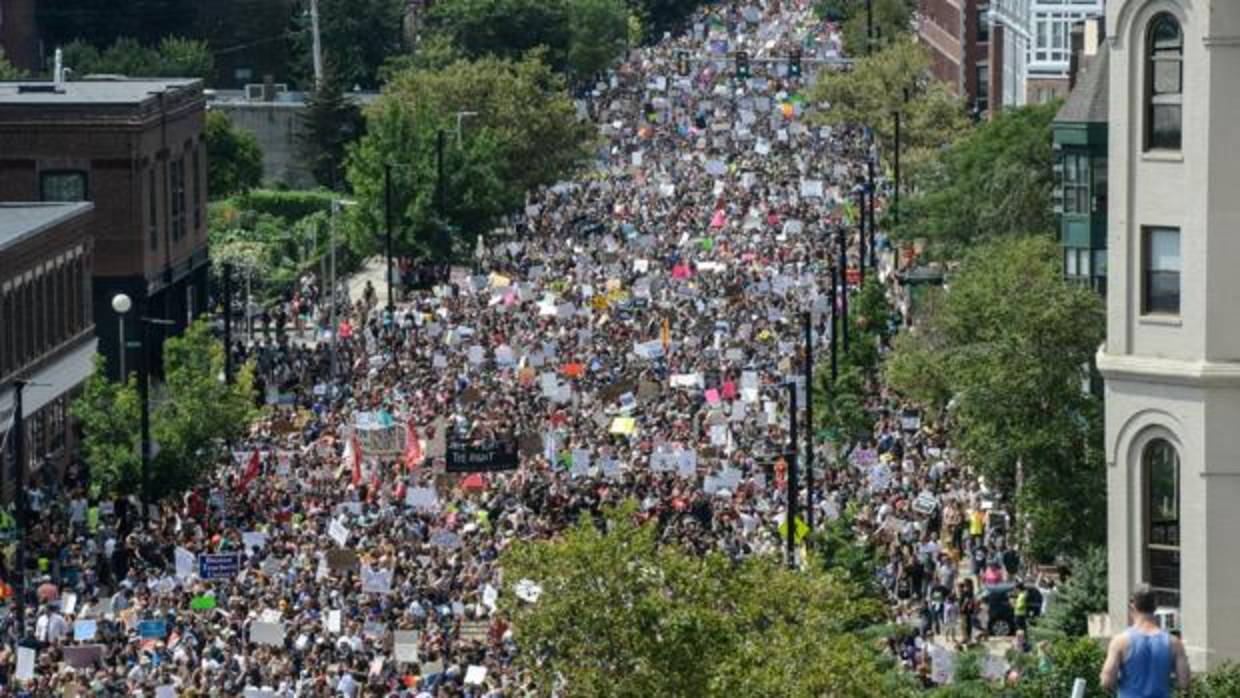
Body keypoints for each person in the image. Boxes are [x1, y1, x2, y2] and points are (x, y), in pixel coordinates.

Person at [1099, 586, 1190, 697]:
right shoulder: (1174, 643)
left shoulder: (1120, 642)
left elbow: (1107, 682)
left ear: (1132, 606)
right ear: (1155, 607)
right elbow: (1184, 682)